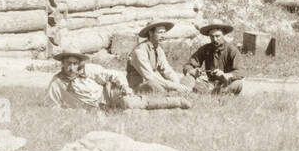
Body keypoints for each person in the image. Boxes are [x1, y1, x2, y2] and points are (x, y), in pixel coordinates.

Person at [47, 51, 191, 111]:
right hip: (96, 108)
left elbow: (114, 75)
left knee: (129, 103)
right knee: (130, 113)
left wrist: (124, 87)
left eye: (74, 63)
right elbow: (53, 108)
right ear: (62, 64)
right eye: (68, 63)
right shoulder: (57, 83)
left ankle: (176, 102)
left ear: (79, 63)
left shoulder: (89, 71)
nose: (72, 67)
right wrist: (75, 112)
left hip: (110, 94)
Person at [127, 20, 191, 94]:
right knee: (156, 87)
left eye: (164, 32)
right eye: (160, 32)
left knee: (181, 83)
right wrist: (174, 86)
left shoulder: (158, 49)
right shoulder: (139, 51)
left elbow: (167, 70)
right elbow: (150, 76)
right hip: (140, 85)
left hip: (156, 82)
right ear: (150, 33)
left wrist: (177, 84)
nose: (163, 36)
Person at [185, 23, 244, 95]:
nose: (215, 39)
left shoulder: (232, 50)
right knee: (188, 81)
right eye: (212, 37)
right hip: (210, 83)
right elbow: (189, 65)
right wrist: (193, 71)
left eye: (217, 36)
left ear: (223, 35)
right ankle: (215, 93)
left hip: (227, 83)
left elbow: (240, 71)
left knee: (238, 83)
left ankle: (217, 93)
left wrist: (226, 75)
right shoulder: (205, 48)